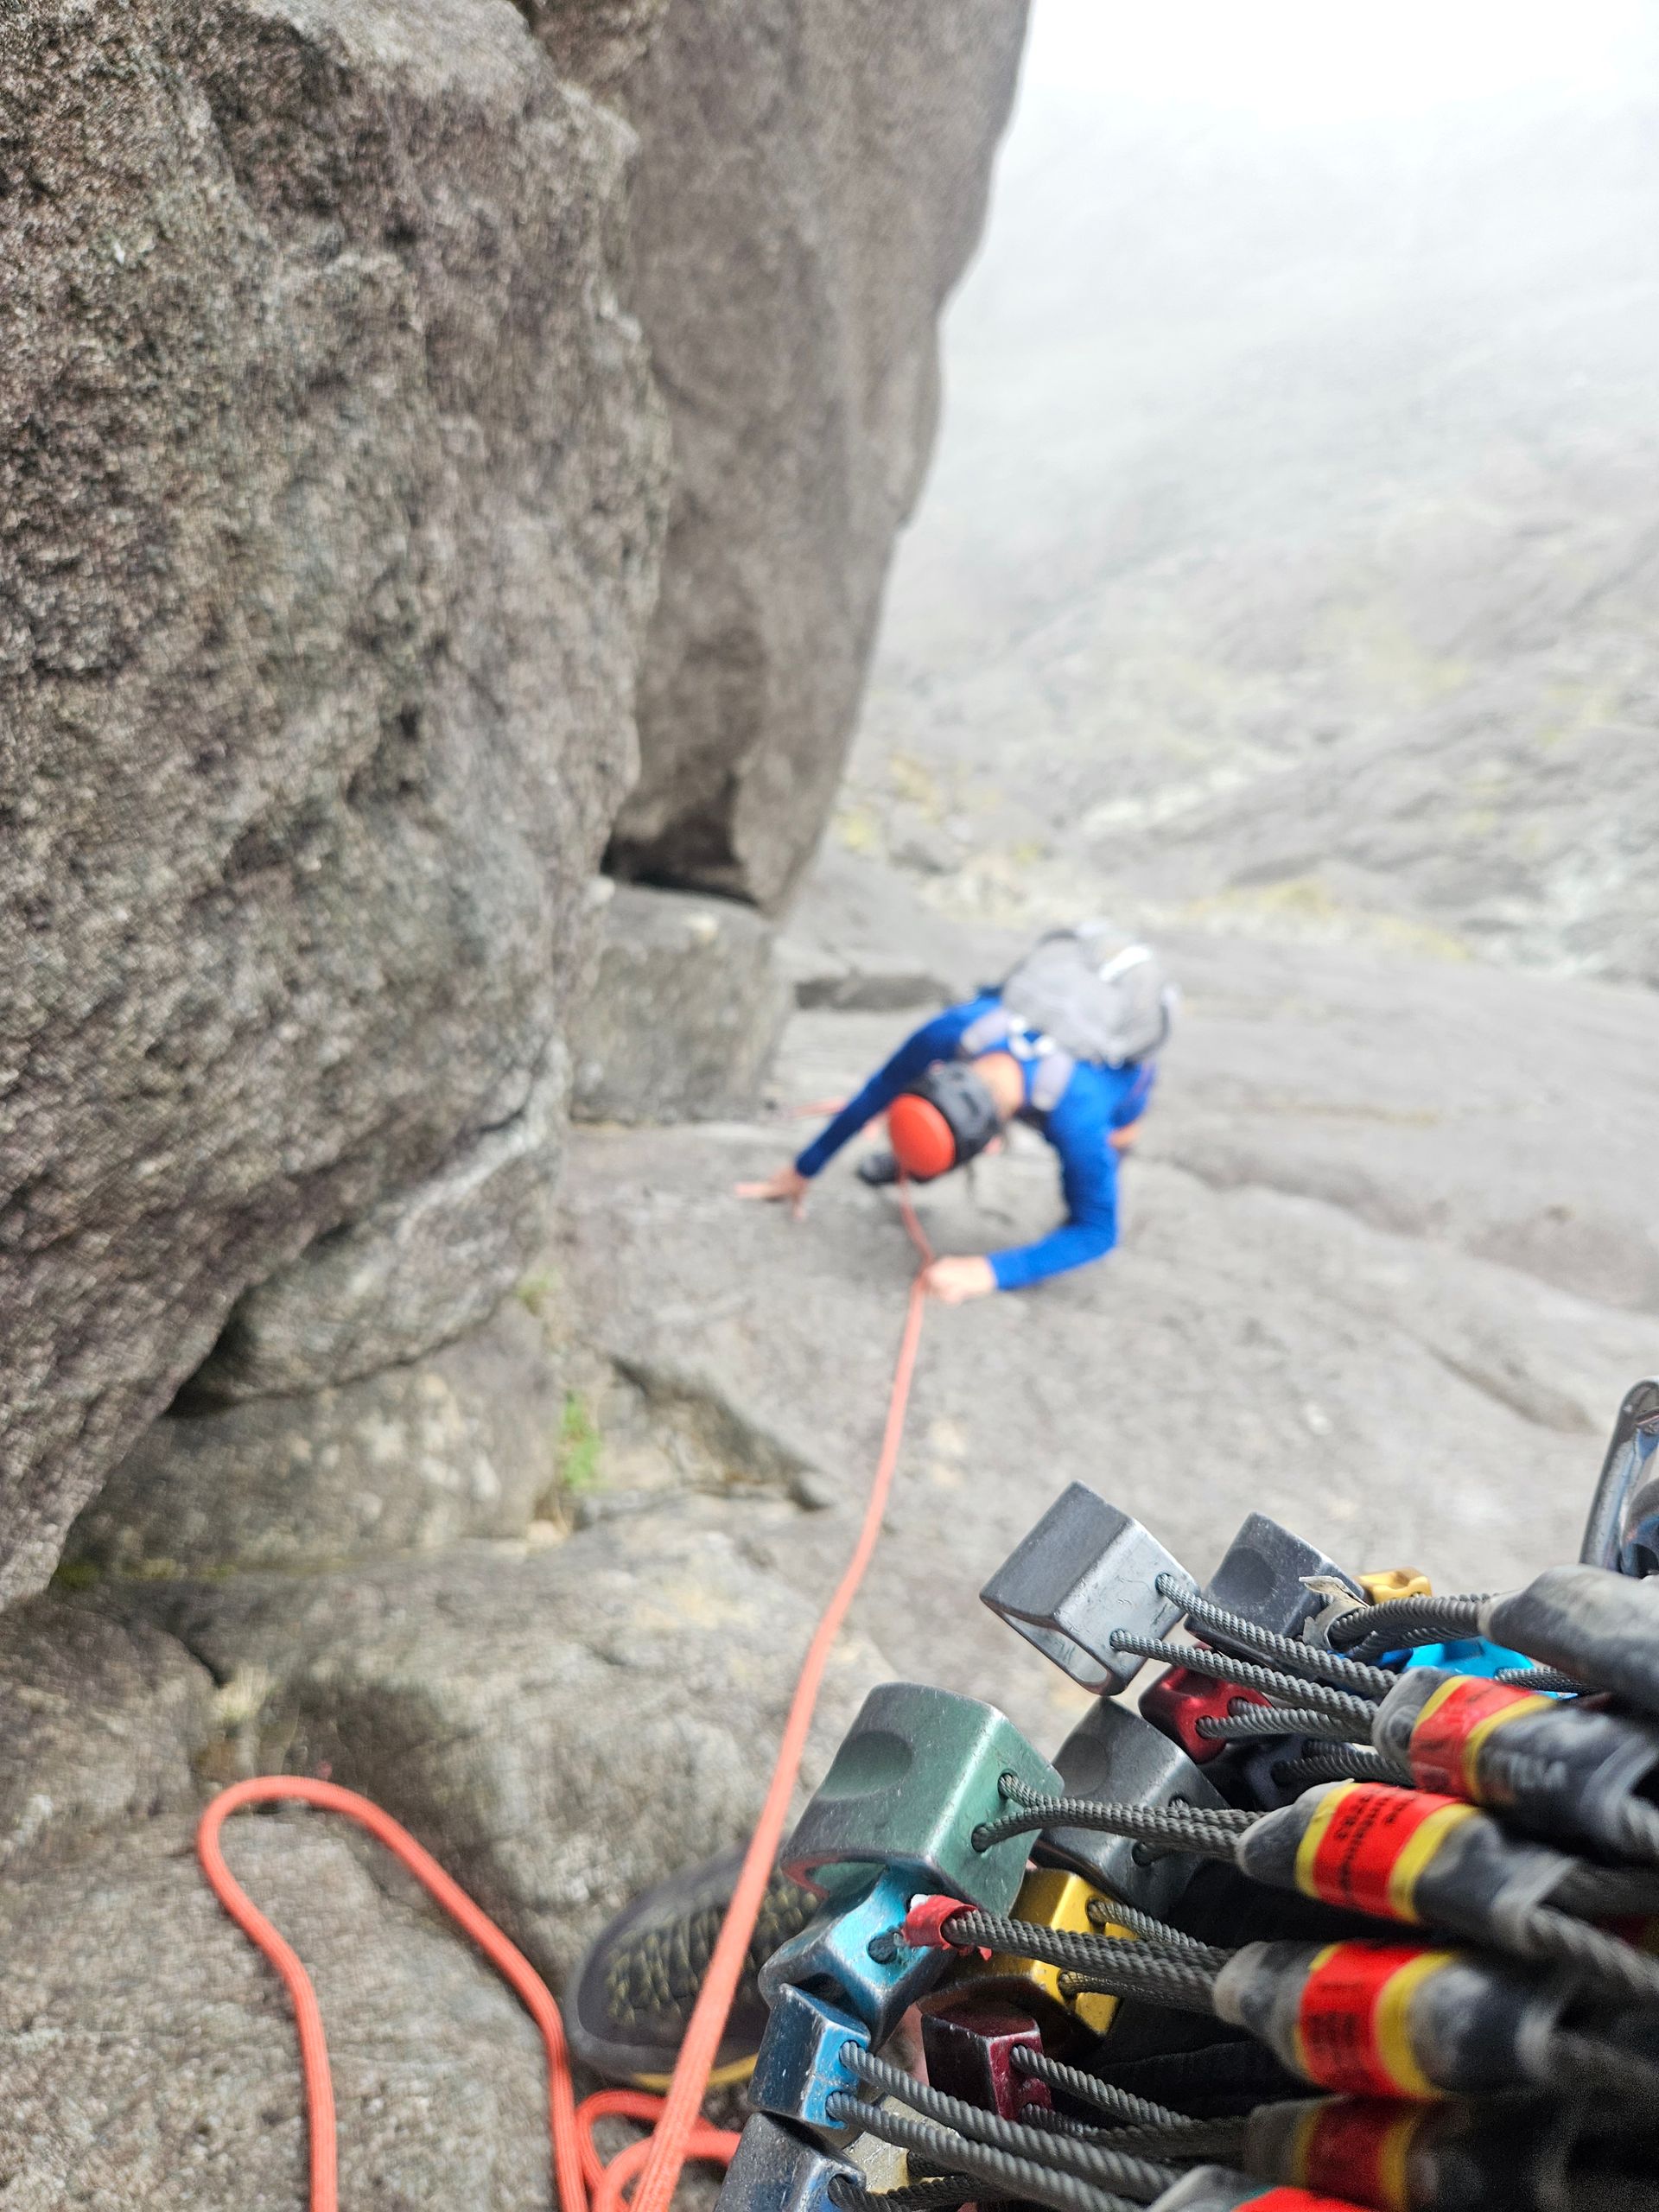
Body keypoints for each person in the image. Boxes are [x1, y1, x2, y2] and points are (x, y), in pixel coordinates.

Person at [737, 928, 1168, 1304]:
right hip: (1058, 1018)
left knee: (1107, 1161)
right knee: (926, 1146)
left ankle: (1086, 1180)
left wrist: (990, 1271)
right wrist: (802, 1169)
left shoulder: (1081, 1116)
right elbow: (881, 1090)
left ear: (987, 1142)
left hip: (1115, 1065)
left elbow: (1097, 1231)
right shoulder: (957, 1028)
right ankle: (913, 1160)